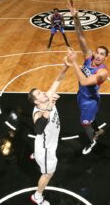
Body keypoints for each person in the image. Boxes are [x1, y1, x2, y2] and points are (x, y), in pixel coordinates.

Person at [67, 0, 109, 155]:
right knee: (90, 119)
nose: (98, 55)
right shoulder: (89, 57)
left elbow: (84, 81)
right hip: (82, 96)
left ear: (105, 58)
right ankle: (97, 129)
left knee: (85, 124)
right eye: (97, 52)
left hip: (89, 102)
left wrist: (74, 62)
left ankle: (92, 141)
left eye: (102, 54)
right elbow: (80, 36)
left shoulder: (103, 72)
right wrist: (75, 17)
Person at [27, 64, 69, 205]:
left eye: (41, 91)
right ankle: (37, 196)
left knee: (42, 140)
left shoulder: (48, 97)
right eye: (39, 94)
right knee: (48, 174)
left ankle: (34, 155)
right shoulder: (38, 112)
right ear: (36, 101)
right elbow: (38, 129)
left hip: (46, 141)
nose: (43, 93)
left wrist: (66, 66)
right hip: (46, 150)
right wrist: (50, 106)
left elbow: (58, 80)